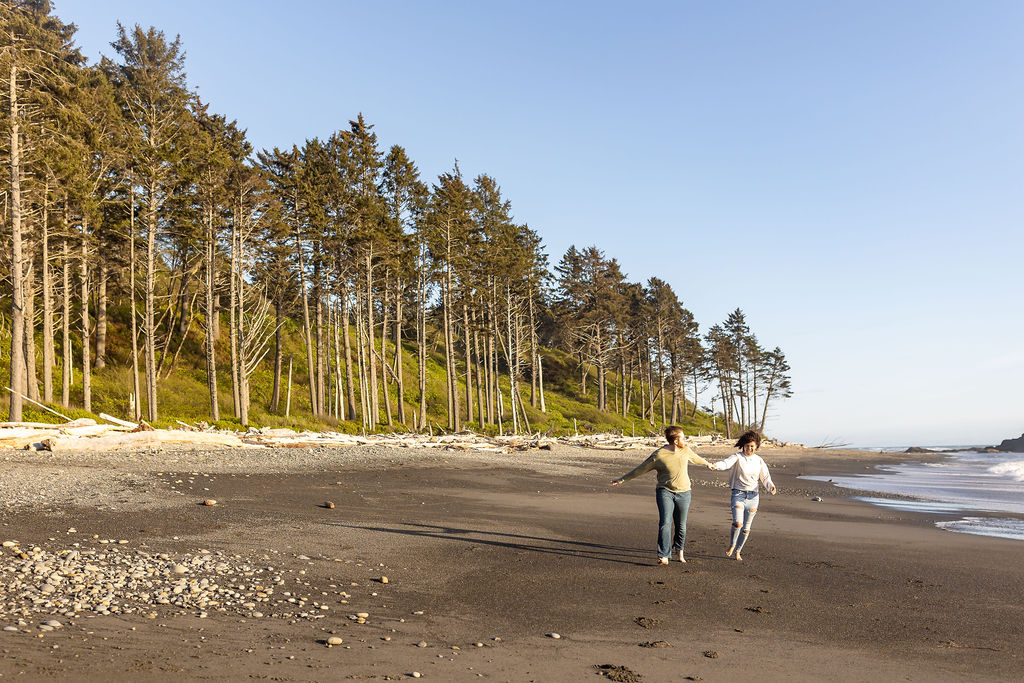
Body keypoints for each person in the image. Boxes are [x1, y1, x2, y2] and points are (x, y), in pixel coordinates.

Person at [611, 426, 712, 565]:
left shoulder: (686, 450)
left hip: (684, 493)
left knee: (681, 525)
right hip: (665, 491)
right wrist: (622, 479)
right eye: (683, 437)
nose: (685, 440)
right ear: (675, 441)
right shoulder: (658, 455)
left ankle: (679, 550)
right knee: (665, 522)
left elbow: (697, 459)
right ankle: (664, 555)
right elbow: (640, 469)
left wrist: (708, 464)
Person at [709, 430, 776, 561]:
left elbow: (765, 477)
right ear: (743, 446)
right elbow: (726, 463)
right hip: (738, 494)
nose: (749, 448)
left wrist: (771, 486)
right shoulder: (737, 457)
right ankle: (732, 545)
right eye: (747, 446)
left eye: (752, 446)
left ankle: (738, 551)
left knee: (746, 529)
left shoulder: (759, 460)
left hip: (753, 497)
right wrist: (716, 466)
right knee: (738, 523)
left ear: (756, 446)